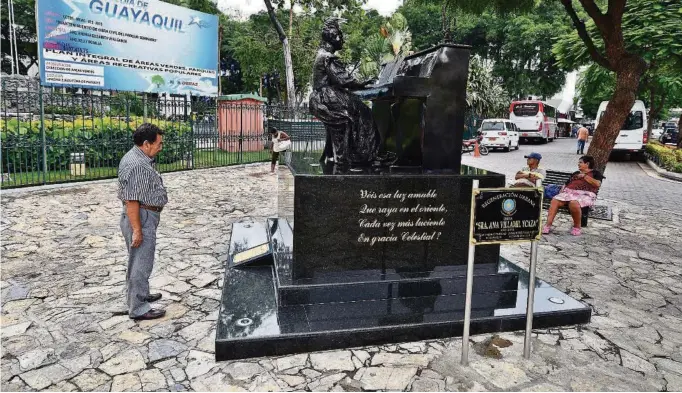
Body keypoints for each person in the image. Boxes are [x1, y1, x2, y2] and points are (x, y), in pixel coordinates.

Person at [309, 18, 380, 166]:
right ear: (334, 37)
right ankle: (362, 156)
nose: (343, 41)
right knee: (364, 113)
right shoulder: (328, 57)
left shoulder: (321, 54)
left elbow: (339, 80)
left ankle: (350, 154)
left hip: (320, 97)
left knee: (358, 109)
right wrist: (362, 84)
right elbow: (343, 80)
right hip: (326, 98)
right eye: (341, 37)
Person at [118, 123, 168, 320]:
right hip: (141, 217)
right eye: (159, 143)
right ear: (146, 144)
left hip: (142, 215)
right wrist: (138, 230)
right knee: (140, 263)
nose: (160, 147)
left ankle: (140, 295)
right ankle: (138, 308)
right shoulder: (138, 165)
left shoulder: (136, 157)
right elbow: (132, 201)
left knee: (138, 261)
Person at [542, 156, 603, 236]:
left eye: (580, 162)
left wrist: (585, 176)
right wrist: (562, 190)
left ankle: (577, 227)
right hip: (568, 194)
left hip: (584, 195)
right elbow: (566, 184)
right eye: (579, 162)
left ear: (587, 164)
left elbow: (597, 184)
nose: (578, 164)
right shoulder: (576, 173)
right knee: (555, 200)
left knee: (573, 203)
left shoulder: (596, 173)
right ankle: (548, 225)